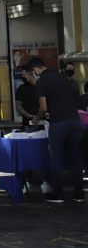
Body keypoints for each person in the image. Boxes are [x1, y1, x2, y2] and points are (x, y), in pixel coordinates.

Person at [26, 57, 84, 202]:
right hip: (75, 120)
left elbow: (43, 107)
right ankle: (79, 194)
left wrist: (36, 119)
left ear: (35, 70)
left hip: (58, 123)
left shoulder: (42, 82)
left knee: (55, 157)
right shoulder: (63, 77)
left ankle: (58, 194)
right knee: (76, 157)